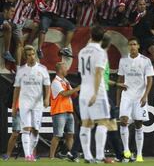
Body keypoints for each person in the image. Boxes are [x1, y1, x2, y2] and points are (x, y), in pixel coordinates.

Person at [116, 37, 154, 162]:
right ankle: (126, 150)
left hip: (139, 96)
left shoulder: (145, 61)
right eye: (130, 44)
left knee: (138, 124)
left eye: (134, 44)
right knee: (123, 121)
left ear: (138, 46)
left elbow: (150, 79)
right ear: (128, 46)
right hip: (126, 96)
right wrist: (118, 101)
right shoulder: (123, 61)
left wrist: (145, 95)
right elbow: (120, 81)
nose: (132, 46)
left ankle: (139, 154)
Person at [78, 26, 111, 163]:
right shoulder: (101, 52)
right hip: (96, 91)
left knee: (86, 123)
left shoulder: (82, 52)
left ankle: (87, 156)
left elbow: (81, 72)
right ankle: (99, 156)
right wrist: (96, 94)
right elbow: (98, 73)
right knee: (103, 122)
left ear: (91, 35)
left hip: (83, 90)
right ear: (102, 38)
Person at [12, 45, 51, 161]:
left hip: (37, 104)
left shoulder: (42, 69)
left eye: (33, 54)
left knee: (35, 130)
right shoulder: (21, 71)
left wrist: (47, 98)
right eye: (29, 55)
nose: (32, 57)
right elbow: (17, 89)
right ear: (25, 57)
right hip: (24, 103)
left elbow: (47, 85)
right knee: (26, 128)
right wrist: (14, 105)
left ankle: (30, 151)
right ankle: (28, 155)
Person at [101, 34, 127, 162]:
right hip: (101, 96)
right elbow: (98, 79)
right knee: (108, 126)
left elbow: (103, 79)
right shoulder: (100, 57)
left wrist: (117, 84)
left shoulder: (102, 57)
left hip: (100, 94)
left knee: (105, 126)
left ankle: (119, 155)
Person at [49, 62, 80, 159]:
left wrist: (76, 91)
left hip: (69, 111)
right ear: (60, 70)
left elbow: (74, 95)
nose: (67, 69)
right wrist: (77, 88)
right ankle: (51, 157)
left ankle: (72, 155)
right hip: (59, 111)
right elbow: (64, 94)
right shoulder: (55, 82)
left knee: (70, 135)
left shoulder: (65, 81)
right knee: (57, 135)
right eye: (65, 68)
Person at [129, 0, 154, 75]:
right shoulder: (132, 14)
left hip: (147, 37)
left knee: (153, 49)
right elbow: (131, 24)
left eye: (144, 4)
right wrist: (138, 18)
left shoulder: (150, 15)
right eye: (140, 4)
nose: (142, 6)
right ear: (136, 6)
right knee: (135, 54)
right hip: (137, 38)